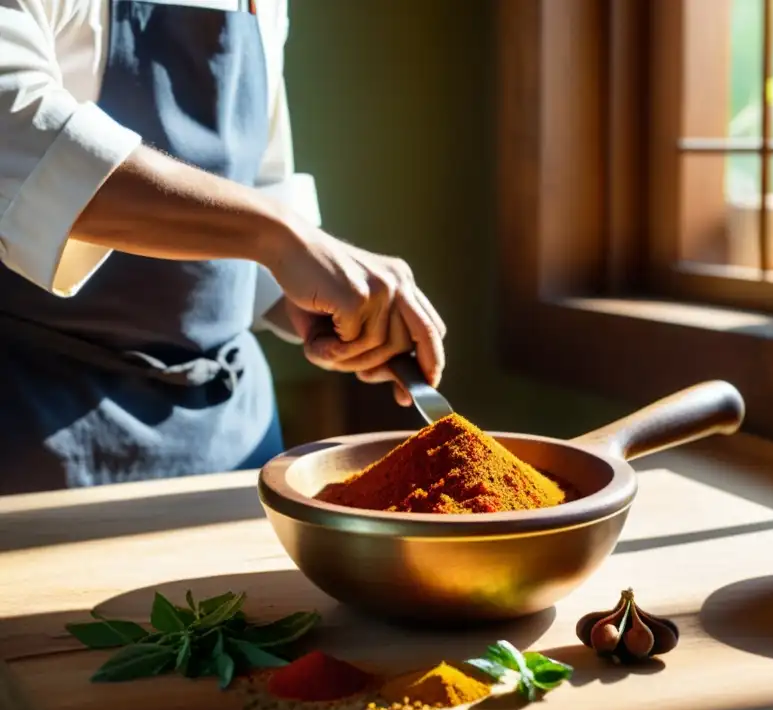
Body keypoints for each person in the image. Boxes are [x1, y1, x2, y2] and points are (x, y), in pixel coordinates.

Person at [0, 0, 446, 495]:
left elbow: (261, 182)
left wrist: (318, 308)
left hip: (231, 440)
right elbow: (18, 135)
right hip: (36, 433)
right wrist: (277, 236)